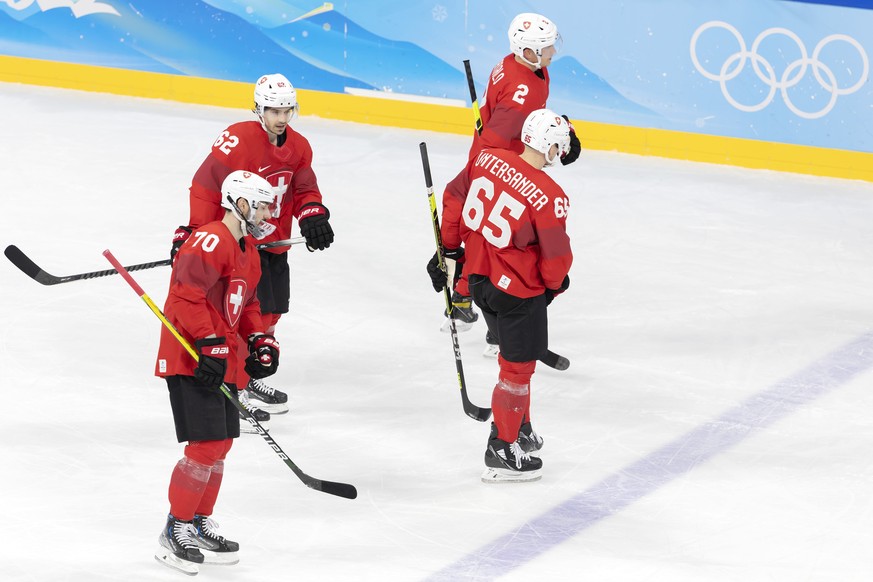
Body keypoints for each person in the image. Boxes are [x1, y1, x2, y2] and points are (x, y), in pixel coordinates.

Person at [171, 73, 334, 422]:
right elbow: (206, 184)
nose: (282, 118)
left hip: (273, 244)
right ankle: (237, 384)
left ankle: (252, 370)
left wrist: (312, 215)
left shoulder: (300, 146)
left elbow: (304, 186)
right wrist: (197, 230)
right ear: (258, 109)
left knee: (270, 313)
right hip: (237, 245)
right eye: (274, 111)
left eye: (288, 110)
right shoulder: (238, 140)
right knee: (233, 315)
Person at [428, 13, 580, 353]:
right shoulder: (520, 92)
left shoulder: (522, 66)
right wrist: (508, 174)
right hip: (500, 166)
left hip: (503, 161)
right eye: (547, 47)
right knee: (497, 238)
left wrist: (562, 130)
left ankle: (470, 301)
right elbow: (500, 138)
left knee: (491, 235)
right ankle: (487, 310)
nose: (553, 52)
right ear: (528, 51)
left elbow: (528, 118)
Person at [154, 171, 282, 574]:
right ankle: (175, 528)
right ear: (240, 204)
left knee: (222, 444)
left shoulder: (247, 249)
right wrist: (209, 342)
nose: (266, 213)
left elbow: (247, 305)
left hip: (218, 354)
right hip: (191, 353)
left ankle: (197, 521)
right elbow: (184, 296)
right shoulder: (210, 239)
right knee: (205, 446)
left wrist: (259, 338)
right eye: (260, 205)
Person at [437, 109, 573, 483]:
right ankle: (503, 446)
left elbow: (452, 197)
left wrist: (449, 251)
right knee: (517, 371)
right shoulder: (550, 195)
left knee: (515, 360)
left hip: (480, 280)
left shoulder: (487, 158)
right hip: (516, 292)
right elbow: (556, 258)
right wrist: (553, 286)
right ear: (548, 146)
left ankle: (522, 426)